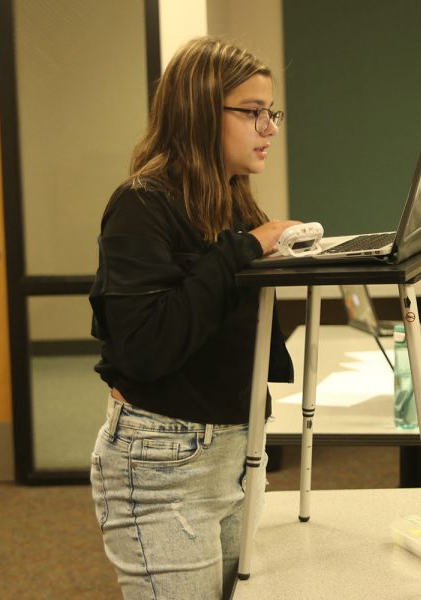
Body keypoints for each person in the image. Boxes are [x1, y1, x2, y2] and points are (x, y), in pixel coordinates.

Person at [88, 37, 299, 599]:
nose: (269, 127)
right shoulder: (141, 204)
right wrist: (245, 250)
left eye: (271, 112)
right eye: (252, 112)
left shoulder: (230, 201)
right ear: (200, 112)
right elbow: (146, 347)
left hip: (231, 449)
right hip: (163, 459)